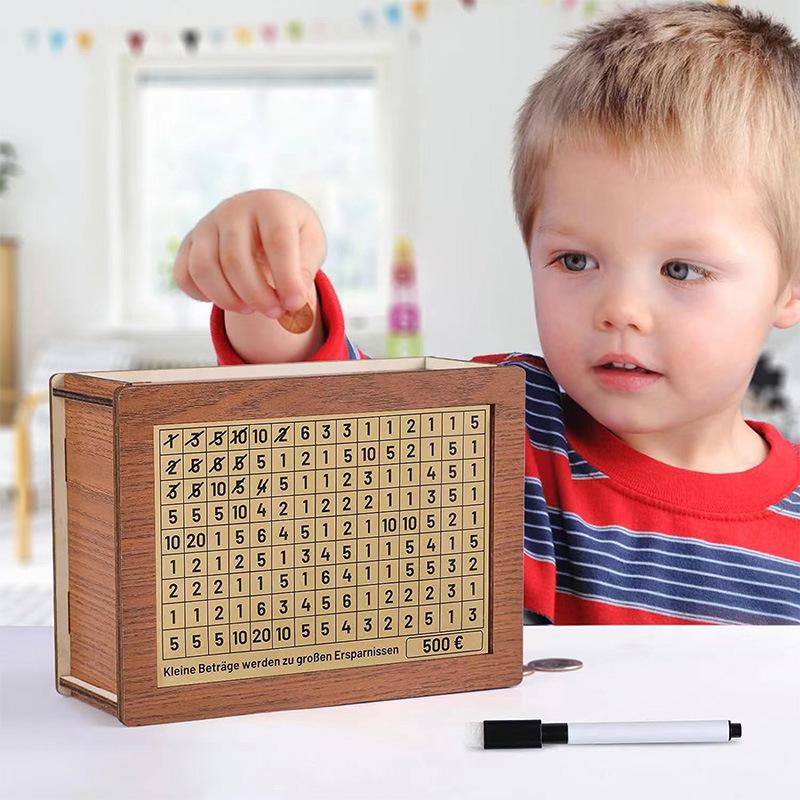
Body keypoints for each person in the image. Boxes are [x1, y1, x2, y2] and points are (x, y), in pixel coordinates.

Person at [174, 1, 800, 624]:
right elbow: (333, 425)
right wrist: (267, 286)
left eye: (681, 271)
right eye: (577, 261)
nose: (621, 311)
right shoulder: (504, 426)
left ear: (788, 287)